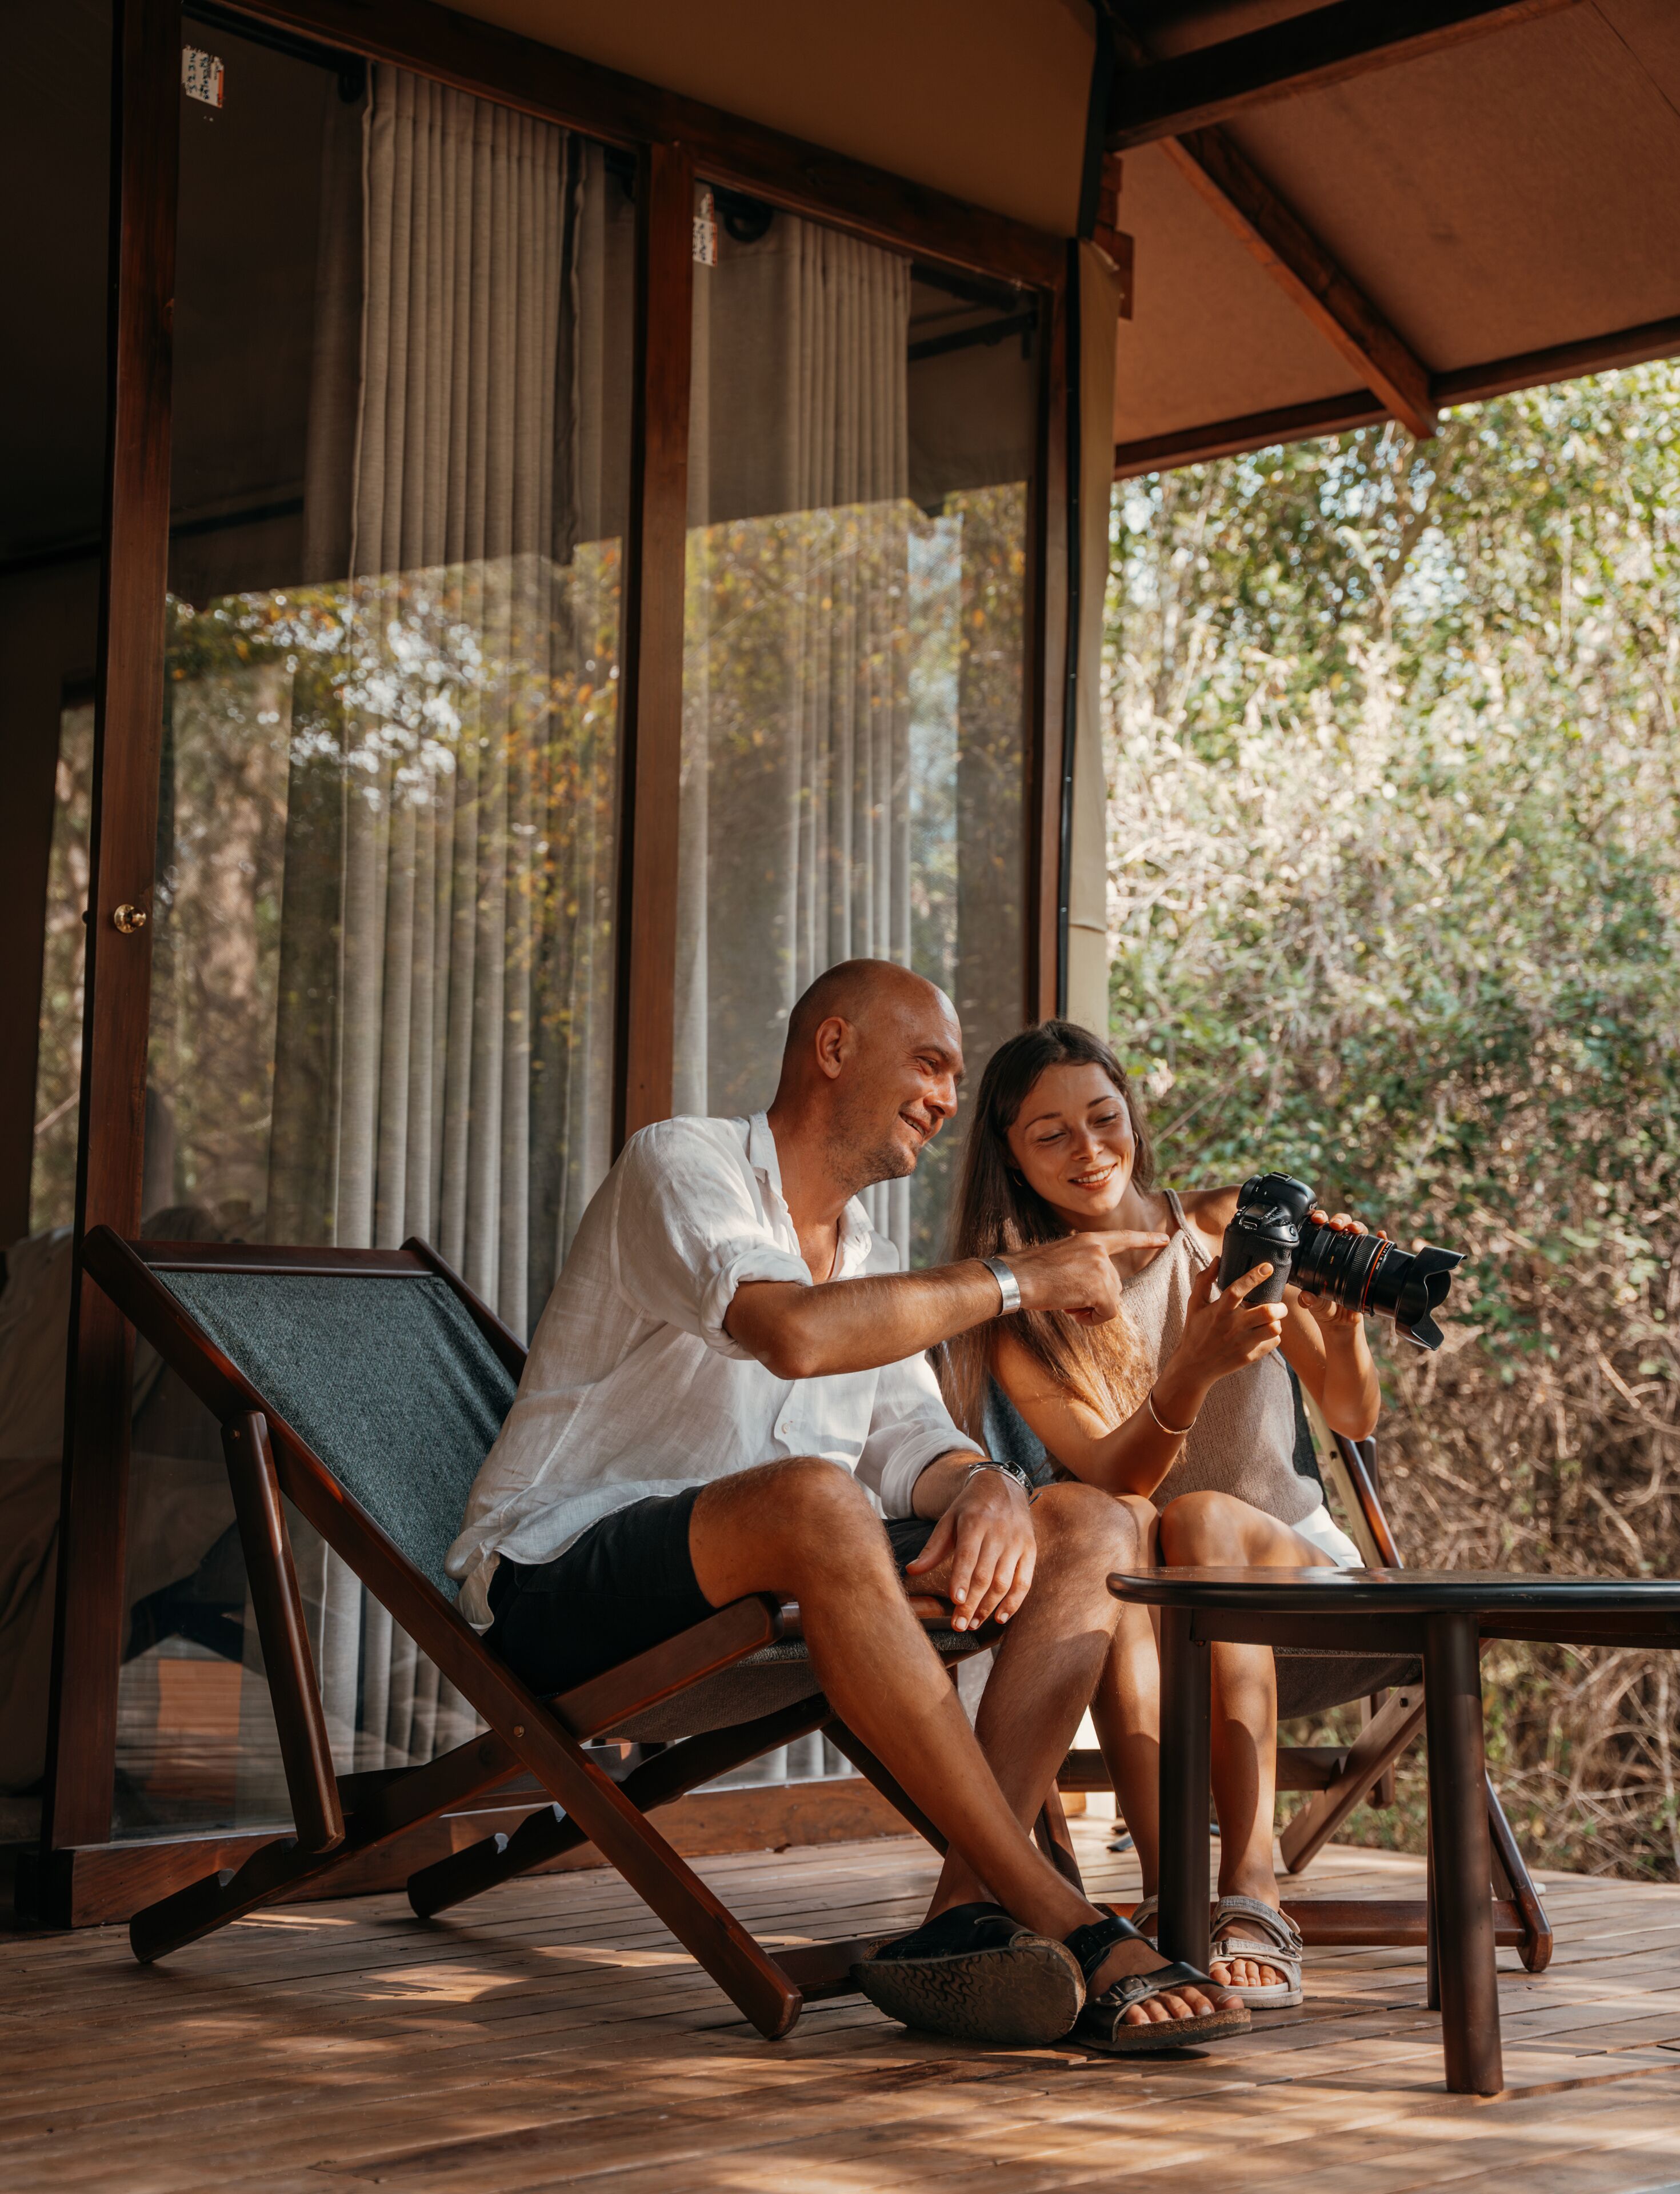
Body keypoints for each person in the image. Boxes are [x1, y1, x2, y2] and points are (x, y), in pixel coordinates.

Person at [447, 961, 1248, 2052]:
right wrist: (1023, 1280)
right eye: (929, 1064)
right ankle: (1059, 1912)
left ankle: (964, 1918)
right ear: (833, 1049)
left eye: (957, 1077)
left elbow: (911, 1439)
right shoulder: (682, 1164)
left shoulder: (866, 1254)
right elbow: (796, 1334)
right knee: (818, 1500)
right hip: (559, 1583)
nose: (947, 1097)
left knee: (1092, 1522)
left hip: (756, 1585)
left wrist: (989, 1487)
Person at [941, 1019, 1382, 2011]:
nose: (1090, 1150)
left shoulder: (1229, 1227)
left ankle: (1253, 1884)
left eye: (1104, 1118)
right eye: (1050, 1134)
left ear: (1132, 1114)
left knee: (1205, 1524)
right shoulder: (1029, 1319)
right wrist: (1191, 1369)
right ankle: (1170, 1896)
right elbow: (1120, 1479)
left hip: (1294, 1573)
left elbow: (1351, 1411)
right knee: (1131, 1539)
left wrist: (1343, 1332)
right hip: (1153, 1596)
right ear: (1009, 1156)